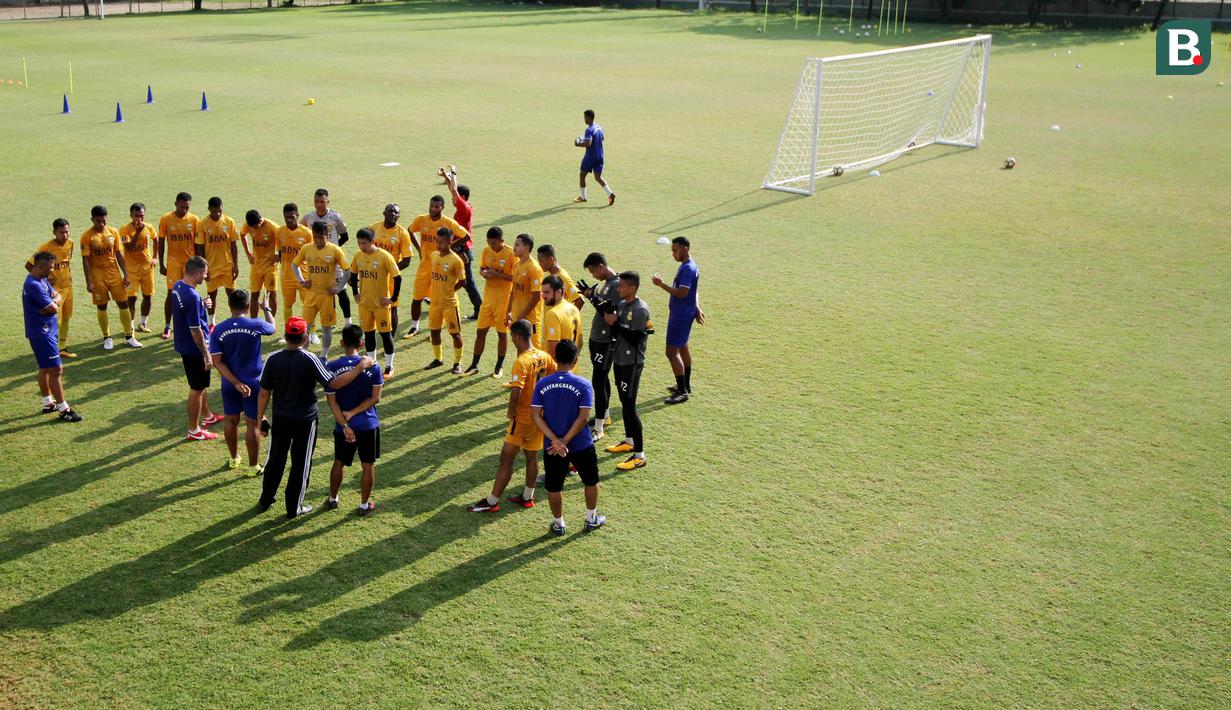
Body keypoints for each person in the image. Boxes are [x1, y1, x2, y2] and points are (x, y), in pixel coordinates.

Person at [256, 316, 374, 519]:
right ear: (305, 338)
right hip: (305, 420)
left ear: (285, 336)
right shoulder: (310, 359)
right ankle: (294, 508)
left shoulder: (273, 358)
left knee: (275, 459)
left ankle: (266, 499)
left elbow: (264, 392)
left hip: (281, 417)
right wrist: (359, 368)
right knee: (301, 464)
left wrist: (260, 417)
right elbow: (333, 384)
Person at [467, 319, 555, 513]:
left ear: (516, 337)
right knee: (531, 457)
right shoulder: (544, 356)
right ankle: (527, 497)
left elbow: (516, 392)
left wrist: (510, 412)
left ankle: (492, 502)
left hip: (522, 418)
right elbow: (553, 377)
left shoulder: (521, 361)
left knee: (506, 460)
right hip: (539, 416)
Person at [531, 340, 605, 535]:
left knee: (554, 486)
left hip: (552, 447)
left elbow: (535, 416)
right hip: (581, 444)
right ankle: (591, 519)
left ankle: (558, 523)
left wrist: (555, 440)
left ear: (555, 359)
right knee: (591, 481)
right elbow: (583, 417)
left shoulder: (542, 383)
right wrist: (564, 440)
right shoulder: (584, 385)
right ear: (575, 360)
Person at [210, 289, 276, 476]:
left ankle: (234, 458)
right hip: (253, 383)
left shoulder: (220, 329)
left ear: (229, 306)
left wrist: (235, 382)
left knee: (231, 421)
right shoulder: (255, 324)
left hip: (229, 383)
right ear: (248, 306)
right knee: (253, 424)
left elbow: (217, 361)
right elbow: (273, 328)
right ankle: (253, 466)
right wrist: (266, 308)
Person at [323, 324, 384, 516]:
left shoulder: (331, 367)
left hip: (343, 427)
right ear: (362, 343)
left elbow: (331, 401)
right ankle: (364, 505)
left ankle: (333, 498)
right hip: (368, 424)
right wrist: (355, 412)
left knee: (339, 462)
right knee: (368, 465)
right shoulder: (374, 366)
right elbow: (376, 398)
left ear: (341, 343)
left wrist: (345, 423)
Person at [23, 251, 82, 422]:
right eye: (50, 267)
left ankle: (48, 403)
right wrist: (53, 303)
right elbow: (55, 307)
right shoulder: (33, 284)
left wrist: (53, 301)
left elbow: (57, 296)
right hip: (43, 333)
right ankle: (64, 410)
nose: (52, 271)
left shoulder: (41, 279)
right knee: (56, 370)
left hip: (46, 330)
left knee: (45, 368)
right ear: (40, 266)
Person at [604, 271, 652, 471]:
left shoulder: (640, 310)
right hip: (620, 360)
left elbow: (635, 339)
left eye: (622, 286)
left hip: (632, 364)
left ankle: (639, 455)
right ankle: (629, 440)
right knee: (624, 402)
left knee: (630, 406)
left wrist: (616, 324)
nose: (619, 288)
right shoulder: (623, 305)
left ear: (633, 288)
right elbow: (618, 332)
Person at [172, 256, 222, 441]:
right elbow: (195, 330)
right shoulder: (192, 296)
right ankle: (194, 430)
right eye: (205, 273)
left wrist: (202, 304)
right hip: (194, 349)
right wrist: (206, 354)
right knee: (197, 388)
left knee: (200, 385)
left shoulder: (178, 286)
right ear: (198, 273)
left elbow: (185, 311)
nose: (206, 277)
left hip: (183, 344)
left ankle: (207, 417)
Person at [403, 195, 467, 339]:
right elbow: (410, 230)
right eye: (431, 206)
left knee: (438, 300)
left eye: (437, 207)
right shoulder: (421, 219)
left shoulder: (448, 223)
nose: (433, 209)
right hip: (425, 266)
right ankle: (414, 326)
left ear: (442, 208)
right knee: (417, 298)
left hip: (442, 268)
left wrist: (451, 247)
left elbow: (465, 236)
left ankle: (434, 331)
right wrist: (419, 249)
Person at [652, 236, 705, 405]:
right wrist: (696, 307)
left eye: (675, 251)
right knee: (682, 347)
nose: (673, 254)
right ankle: (685, 385)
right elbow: (694, 292)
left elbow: (682, 293)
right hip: (685, 312)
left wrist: (661, 285)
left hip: (680, 315)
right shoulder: (691, 266)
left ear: (685, 249)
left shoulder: (687, 269)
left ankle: (682, 391)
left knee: (671, 352)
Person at [81, 205, 140, 350]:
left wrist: (126, 274)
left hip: (113, 273)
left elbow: (119, 254)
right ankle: (107, 337)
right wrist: (89, 281)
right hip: (97, 275)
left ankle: (129, 336)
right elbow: (86, 260)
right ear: (92, 219)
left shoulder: (113, 232)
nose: (101, 224)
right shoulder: (87, 236)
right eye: (98, 221)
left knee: (123, 303)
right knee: (102, 306)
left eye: (104, 221)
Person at [463, 226, 516, 378]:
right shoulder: (486, 251)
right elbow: (481, 268)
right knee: (480, 332)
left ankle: (499, 367)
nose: (491, 246)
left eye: (494, 243)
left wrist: (497, 275)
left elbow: (515, 278)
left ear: (502, 241)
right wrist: (484, 274)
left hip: (503, 301)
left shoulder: (511, 254)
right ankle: (474, 365)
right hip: (488, 300)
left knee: (502, 335)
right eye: (489, 243)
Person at [293, 221, 350, 360]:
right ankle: (303, 353)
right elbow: (294, 265)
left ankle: (324, 355)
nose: (318, 240)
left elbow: (347, 270)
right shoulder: (307, 248)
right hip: (311, 294)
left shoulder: (335, 250)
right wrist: (301, 280)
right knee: (305, 326)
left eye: (321, 237)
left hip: (327, 296)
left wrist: (338, 287)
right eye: (315, 237)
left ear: (327, 236)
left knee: (326, 328)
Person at [579, 252, 620, 438]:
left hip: (606, 341)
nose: (593, 276)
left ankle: (599, 429)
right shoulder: (607, 284)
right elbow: (601, 306)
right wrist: (591, 296)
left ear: (601, 266)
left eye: (593, 271)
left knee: (598, 380)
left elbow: (610, 312)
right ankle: (605, 416)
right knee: (602, 379)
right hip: (597, 339)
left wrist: (593, 298)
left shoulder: (617, 285)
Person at [350, 228, 401, 377]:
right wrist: (355, 292)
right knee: (369, 335)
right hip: (365, 304)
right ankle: (372, 362)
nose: (361, 246)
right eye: (359, 243)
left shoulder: (384, 257)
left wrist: (393, 298)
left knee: (386, 335)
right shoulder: (358, 256)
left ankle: (389, 366)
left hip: (381, 305)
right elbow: (353, 274)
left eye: (364, 243)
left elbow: (397, 277)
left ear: (372, 242)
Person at [301, 188, 353, 328]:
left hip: (333, 261)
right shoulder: (308, 217)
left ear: (327, 202)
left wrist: (333, 250)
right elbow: (300, 233)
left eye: (322, 202)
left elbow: (345, 236)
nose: (319, 205)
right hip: (317, 261)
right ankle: (330, 319)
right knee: (324, 290)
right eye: (317, 201)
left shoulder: (335, 217)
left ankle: (348, 321)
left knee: (341, 291)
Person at [25, 218, 76, 359]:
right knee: (55, 318)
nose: (65, 235)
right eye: (61, 232)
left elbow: (66, 263)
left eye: (66, 232)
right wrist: (45, 281)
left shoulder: (70, 243)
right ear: (54, 232)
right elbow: (29, 265)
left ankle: (62, 347)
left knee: (66, 317)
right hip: (54, 289)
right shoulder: (46, 247)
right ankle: (52, 347)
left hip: (68, 286)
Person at [422, 227, 467, 374]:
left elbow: (463, 281)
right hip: (435, 303)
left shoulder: (456, 261)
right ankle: (438, 359)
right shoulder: (434, 255)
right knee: (434, 332)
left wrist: (451, 290)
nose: (438, 245)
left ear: (449, 241)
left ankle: (457, 363)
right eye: (437, 241)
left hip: (449, 304)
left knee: (455, 334)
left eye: (442, 242)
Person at [440, 166, 482, 319]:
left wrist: (454, 173)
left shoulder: (463, 208)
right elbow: (452, 190)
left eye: (456, 197)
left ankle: (480, 308)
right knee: (451, 274)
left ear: (462, 197)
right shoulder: (464, 207)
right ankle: (437, 298)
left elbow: (453, 190)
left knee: (468, 282)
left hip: (462, 249)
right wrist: (446, 176)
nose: (453, 200)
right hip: (461, 248)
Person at [157, 192, 199, 340]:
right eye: (181, 207)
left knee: (190, 294)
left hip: (190, 265)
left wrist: (199, 264)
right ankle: (168, 326)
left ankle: (188, 325)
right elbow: (161, 242)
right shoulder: (166, 219)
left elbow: (198, 243)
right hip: (173, 262)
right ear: (175, 204)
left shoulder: (194, 220)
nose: (184, 210)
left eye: (187, 207)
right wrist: (161, 263)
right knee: (171, 294)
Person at [369, 203, 414, 338]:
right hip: (372, 276)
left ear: (399, 216)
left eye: (396, 212)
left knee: (392, 308)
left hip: (390, 278)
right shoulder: (373, 228)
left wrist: (391, 271)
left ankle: (391, 338)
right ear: (384, 213)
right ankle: (370, 333)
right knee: (370, 305)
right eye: (390, 211)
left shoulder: (402, 234)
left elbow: (407, 260)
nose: (393, 214)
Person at [193, 196, 240, 327]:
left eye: (219, 210)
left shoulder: (229, 222)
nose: (217, 213)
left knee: (231, 293)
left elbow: (234, 244)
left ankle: (234, 319)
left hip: (227, 265)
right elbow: (200, 247)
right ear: (209, 209)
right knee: (211, 294)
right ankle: (211, 323)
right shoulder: (202, 224)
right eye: (214, 211)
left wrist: (236, 265)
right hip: (211, 267)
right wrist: (204, 269)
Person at [119, 203, 157, 334]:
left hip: (147, 268)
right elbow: (128, 247)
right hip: (131, 270)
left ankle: (143, 322)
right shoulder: (124, 229)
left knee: (148, 296)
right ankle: (130, 325)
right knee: (131, 298)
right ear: (131, 215)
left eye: (141, 216)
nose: (139, 219)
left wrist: (155, 257)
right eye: (136, 216)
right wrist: (138, 233)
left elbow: (156, 239)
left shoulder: (149, 227)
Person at [275, 203, 311, 329]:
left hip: (304, 275)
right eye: (286, 217)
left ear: (297, 215)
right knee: (287, 305)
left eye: (292, 217)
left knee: (308, 305)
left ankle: (310, 332)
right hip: (286, 276)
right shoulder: (280, 232)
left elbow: (311, 255)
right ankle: (288, 331)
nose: (289, 220)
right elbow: (280, 252)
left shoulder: (307, 233)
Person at [241, 209, 280, 321]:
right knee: (254, 296)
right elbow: (242, 234)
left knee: (271, 294)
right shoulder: (248, 225)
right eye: (252, 227)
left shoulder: (272, 227)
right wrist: (248, 253)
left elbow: (283, 240)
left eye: (256, 226)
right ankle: (254, 322)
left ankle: (271, 322)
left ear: (260, 220)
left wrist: (279, 255)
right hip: (256, 267)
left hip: (270, 267)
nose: (255, 229)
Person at [507, 233, 543, 351]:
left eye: (517, 245)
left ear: (526, 248)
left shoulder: (534, 268)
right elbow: (514, 289)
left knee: (533, 352)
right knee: (520, 349)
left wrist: (522, 315)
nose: (514, 247)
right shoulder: (516, 265)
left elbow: (537, 296)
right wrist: (509, 311)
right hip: (518, 317)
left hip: (530, 320)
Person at [574, 108, 615, 206]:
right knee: (598, 177)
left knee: (582, 175)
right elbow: (602, 138)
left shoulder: (589, 129)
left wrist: (578, 144)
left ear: (588, 117)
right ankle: (610, 194)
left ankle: (583, 197)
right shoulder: (599, 128)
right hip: (600, 156)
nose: (584, 119)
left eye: (585, 117)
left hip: (590, 157)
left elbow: (588, 143)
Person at [541, 274, 582, 360]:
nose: (543, 296)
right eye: (543, 292)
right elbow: (580, 340)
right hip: (571, 367)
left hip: (557, 370)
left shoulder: (553, 314)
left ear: (559, 292)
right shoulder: (574, 309)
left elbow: (553, 350)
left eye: (547, 292)